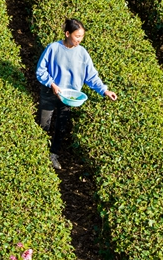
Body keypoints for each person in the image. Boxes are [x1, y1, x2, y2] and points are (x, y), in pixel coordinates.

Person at [36, 19, 117, 169]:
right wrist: (52, 84)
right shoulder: (53, 48)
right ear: (67, 34)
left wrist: (104, 90)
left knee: (61, 127)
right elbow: (41, 70)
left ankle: (53, 155)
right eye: (77, 36)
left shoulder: (82, 54)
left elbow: (91, 76)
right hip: (50, 92)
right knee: (43, 124)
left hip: (68, 97)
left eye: (81, 37)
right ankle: (38, 154)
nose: (79, 40)